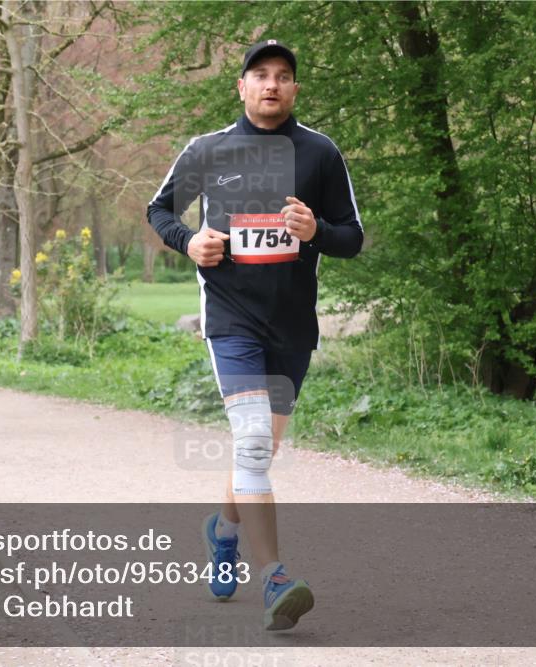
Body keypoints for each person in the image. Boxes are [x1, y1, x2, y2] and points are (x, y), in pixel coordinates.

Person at [147, 40, 363, 631]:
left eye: (283, 75)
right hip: (231, 320)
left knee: (259, 451)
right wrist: (189, 241)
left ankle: (222, 532)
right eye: (260, 74)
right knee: (250, 442)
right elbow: (159, 211)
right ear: (241, 87)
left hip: (292, 327)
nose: (271, 84)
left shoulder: (319, 153)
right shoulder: (208, 150)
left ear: (295, 89)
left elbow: (352, 237)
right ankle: (274, 577)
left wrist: (317, 230)